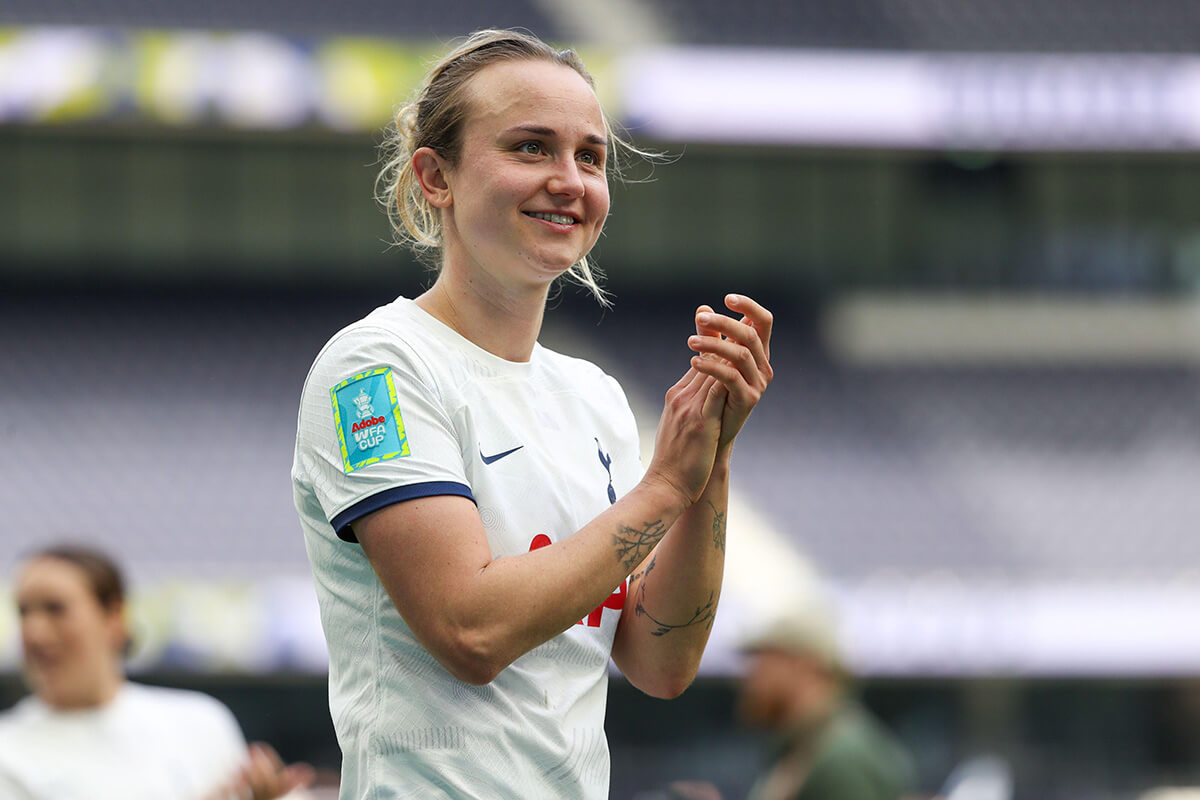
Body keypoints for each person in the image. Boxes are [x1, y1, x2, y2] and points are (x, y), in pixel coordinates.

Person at [290, 27, 774, 800]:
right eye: (530, 148)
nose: (570, 180)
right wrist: (663, 487)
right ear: (435, 176)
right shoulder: (376, 369)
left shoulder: (594, 395)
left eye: (590, 156)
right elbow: (470, 631)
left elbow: (660, 664)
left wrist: (709, 461)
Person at [0, 545, 315, 800]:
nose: (35, 632)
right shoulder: (8, 749)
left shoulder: (200, 720)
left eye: (55, 608)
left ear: (114, 617)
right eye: (24, 612)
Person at [738, 599, 917, 800]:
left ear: (803, 666)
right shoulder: (805, 746)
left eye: (763, 663)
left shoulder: (845, 757)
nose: (749, 678)